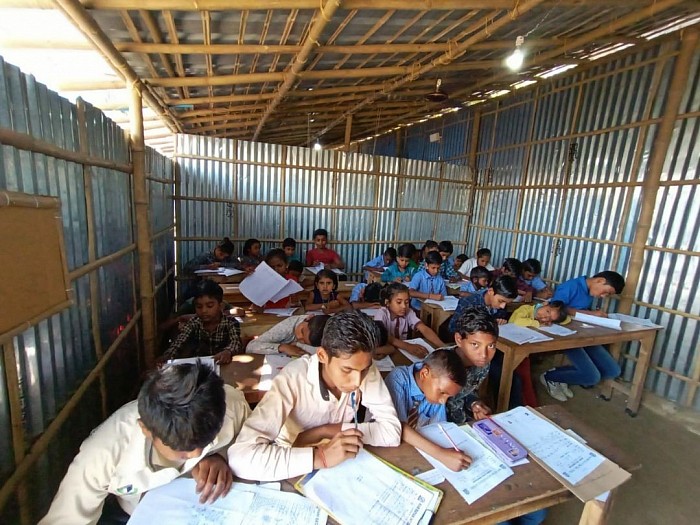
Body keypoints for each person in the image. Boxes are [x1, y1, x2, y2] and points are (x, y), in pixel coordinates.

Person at [39, 362, 250, 525]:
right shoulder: (101, 455)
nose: (196, 454)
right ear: (145, 429)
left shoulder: (230, 406)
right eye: (182, 451)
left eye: (205, 443)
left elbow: (253, 443)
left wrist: (220, 455)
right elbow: (67, 519)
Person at [228, 312, 401, 481]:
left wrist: (322, 431)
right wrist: (321, 456)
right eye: (347, 370)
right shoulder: (292, 378)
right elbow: (240, 458)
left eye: (364, 370)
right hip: (292, 460)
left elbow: (391, 432)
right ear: (322, 356)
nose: (357, 382)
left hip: (343, 462)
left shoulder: (363, 368)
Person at [540, 271, 625, 402]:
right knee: (592, 377)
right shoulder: (571, 286)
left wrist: (593, 315)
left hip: (584, 335)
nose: (603, 296)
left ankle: (563, 376)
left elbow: (580, 313)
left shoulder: (588, 292)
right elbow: (555, 309)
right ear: (600, 281)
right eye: (606, 292)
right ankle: (550, 377)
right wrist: (591, 314)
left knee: (612, 371)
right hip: (566, 336)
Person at [384, 350, 472, 472]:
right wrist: (442, 455)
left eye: (448, 397)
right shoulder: (398, 379)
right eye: (442, 393)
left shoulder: (436, 389)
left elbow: (438, 429)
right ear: (424, 374)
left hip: (414, 450)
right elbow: (398, 428)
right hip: (385, 448)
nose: (443, 401)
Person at [162, 281, 242, 364]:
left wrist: (228, 351)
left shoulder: (230, 323)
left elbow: (235, 342)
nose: (204, 311)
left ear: (220, 306)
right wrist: (167, 356)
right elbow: (179, 341)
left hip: (223, 364)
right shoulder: (194, 322)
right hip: (200, 365)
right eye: (199, 307)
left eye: (210, 306)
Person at [443, 306, 498, 425]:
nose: (484, 355)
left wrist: (474, 403)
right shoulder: (440, 365)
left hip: (461, 420)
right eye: (475, 344)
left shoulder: (483, 365)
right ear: (459, 339)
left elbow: (465, 392)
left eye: (490, 346)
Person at [374, 283, 446, 359]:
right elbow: (384, 336)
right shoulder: (382, 313)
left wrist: (443, 347)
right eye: (399, 302)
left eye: (406, 302)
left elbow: (424, 329)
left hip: (403, 351)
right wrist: (407, 346)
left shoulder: (408, 312)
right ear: (388, 303)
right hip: (387, 351)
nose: (404, 306)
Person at [447, 275, 519, 334]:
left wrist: (500, 322)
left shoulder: (501, 306)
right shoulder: (469, 302)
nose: (503, 306)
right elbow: (452, 328)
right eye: (500, 301)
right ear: (490, 291)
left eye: (507, 303)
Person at [246, 314, 330, 356]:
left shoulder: (328, 330)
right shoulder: (285, 328)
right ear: (309, 317)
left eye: (304, 341)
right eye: (302, 331)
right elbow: (250, 346)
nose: (299, 337)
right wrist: (282, 347)